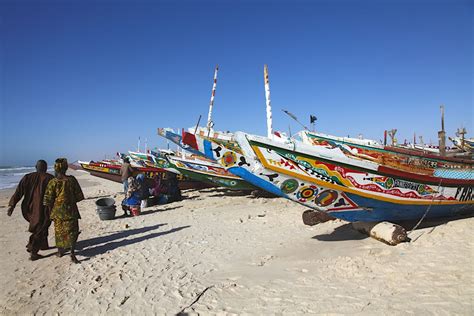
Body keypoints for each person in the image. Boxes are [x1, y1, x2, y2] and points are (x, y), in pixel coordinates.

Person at [7, 160, 54, 261]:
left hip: (29, 208)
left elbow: (18, 192)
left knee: (42, 226)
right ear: (45, 167)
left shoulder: (28, 177)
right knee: (40, 227)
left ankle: (43, 245)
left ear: (35, 167)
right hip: (43, 208)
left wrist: (12, 205)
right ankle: (33, 251)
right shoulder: (50, 178)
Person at [43, 158, 84, 264]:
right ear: (66, 168)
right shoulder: (72, 180)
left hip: (57, 213)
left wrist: (50, 212)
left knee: (59, 232)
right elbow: (79, 196)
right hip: (71, 211)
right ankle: (72, 253)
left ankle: (60, 252)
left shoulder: (52, 182)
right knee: (72, 232)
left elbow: (47, 200)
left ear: (56, 168)